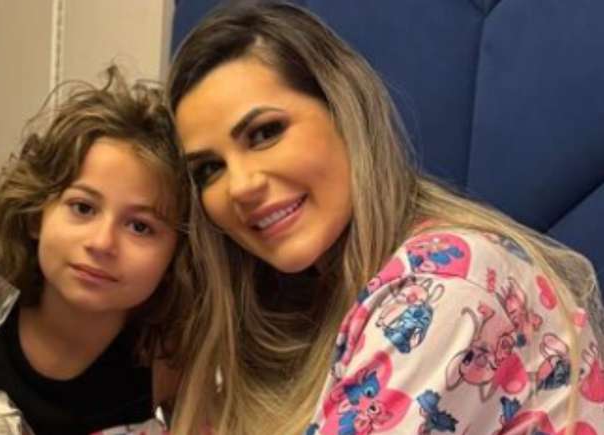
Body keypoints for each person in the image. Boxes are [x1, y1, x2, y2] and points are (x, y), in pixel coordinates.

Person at [156, 3, 604, 434]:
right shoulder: (295, 313)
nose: (240, 186)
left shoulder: (448, 285)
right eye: (209, 169)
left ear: (344, 111)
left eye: (265, 133)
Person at [0, 66, 189, 435]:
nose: (102, 243)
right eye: (83, 207)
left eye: (140, 226)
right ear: (35, 215)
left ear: (176, 255)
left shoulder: (169, 362)